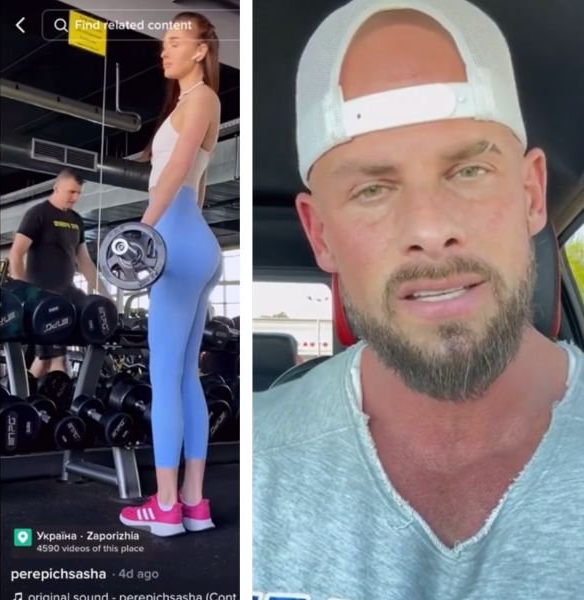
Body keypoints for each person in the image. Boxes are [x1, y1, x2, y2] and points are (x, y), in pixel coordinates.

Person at [253, 0, 584, 597]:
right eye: (373, 188)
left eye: (468, 172)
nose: (430, 230)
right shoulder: (256, 462)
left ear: (533, 194)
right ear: (320, 233)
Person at [117, 11, 222, 537]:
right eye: (164, 43)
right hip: (193, 239)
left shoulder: (201, 97)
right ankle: (194, 503)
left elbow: (178, 171)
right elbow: (195, 189)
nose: (165, 50)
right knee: (185, 378)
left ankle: (163, 507)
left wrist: (142, 232)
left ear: (202, 49)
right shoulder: (189, 104)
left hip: (176, 244)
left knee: (164, 379)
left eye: (176, 42)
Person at [7, 168, 101, 377]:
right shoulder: (38, 214)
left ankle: (31, 400)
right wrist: (23, 294)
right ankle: (54, 404)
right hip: (44, 298)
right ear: (56, 188)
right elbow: (16, 253)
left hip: (68, 294)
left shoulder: (76, 220)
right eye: (71, 192)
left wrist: (104, 294)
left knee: (46, 360)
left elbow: (84, 261)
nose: (75, 198)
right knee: (55, 359)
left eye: (78, 193)